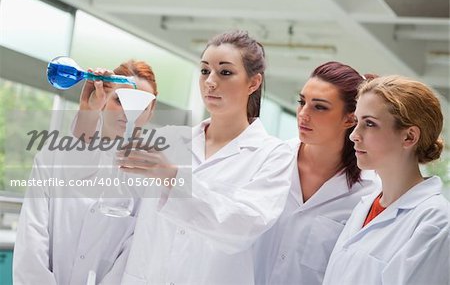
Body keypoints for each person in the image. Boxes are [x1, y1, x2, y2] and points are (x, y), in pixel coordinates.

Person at [121, 30, 294, 285]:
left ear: (253, 83)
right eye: (204, 71)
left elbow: (243, 227)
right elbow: (120, 206)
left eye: (225, 72)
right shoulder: (169, 140)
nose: (210, 82)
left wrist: (172, 176)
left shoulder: (273, 155)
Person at [13, 60, 157, 285]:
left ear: (150, 112)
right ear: (105, 98)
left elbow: (132, 260)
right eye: (120, 100)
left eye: (141, 106)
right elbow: (31, 244)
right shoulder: (53, 159)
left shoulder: (150, 179)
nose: (130, 112)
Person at [253, 61, 379, 285]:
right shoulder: (267, 160)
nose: (303, 114)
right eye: (302, 102)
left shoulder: (368, 194)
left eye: (319, 107)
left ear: (350, 118)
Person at [323, 75, 450, 285]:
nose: (354, 135)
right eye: (357, 122)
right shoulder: (365, 206)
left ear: (409, 137)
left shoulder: (435, 221)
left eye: (370, 124)